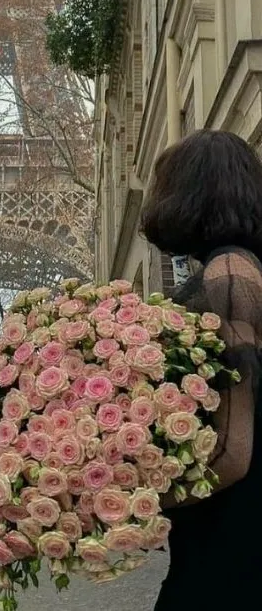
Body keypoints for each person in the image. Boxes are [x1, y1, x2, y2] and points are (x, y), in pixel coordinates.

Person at [140, 129, 262, 611]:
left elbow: (233, 450)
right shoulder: (244, 267)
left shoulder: (229, 274)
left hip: (231, 546)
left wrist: (138, 503)